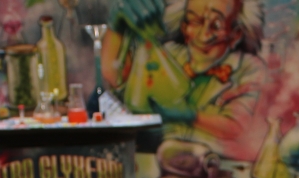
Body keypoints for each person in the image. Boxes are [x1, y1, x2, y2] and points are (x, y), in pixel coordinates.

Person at [102, 0, 266, 154]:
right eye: (195, 22)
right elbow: (117, 79)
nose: (204, 35)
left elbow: (236, 127)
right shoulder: (169, 54)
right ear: (185, 27)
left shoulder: (249, 68)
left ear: (235, 35)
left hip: (216, 165)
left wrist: (191, 115)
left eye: (216, 25)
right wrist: (116, 29)